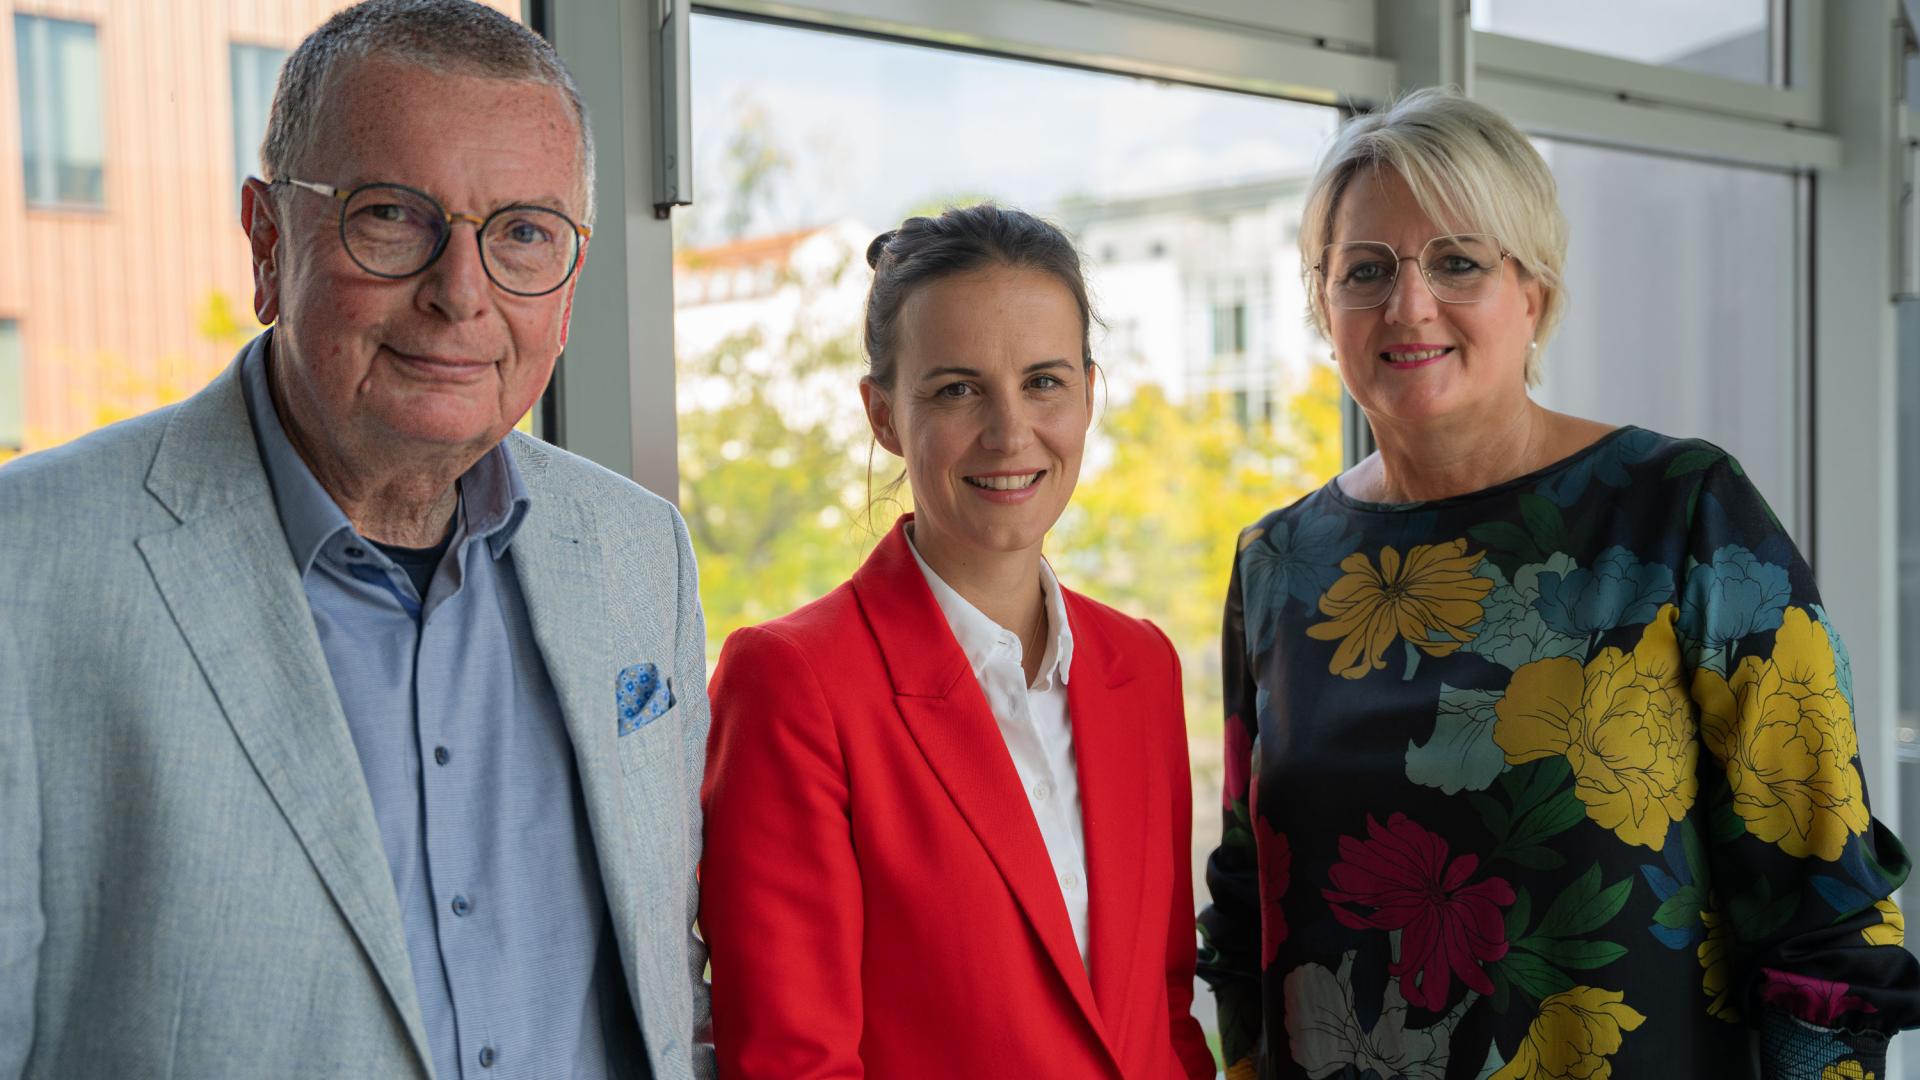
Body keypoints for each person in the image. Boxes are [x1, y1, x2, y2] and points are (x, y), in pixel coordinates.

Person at [0, 2, 713, 1077]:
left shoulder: (637, 552)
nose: (461, 294)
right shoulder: (32, 565)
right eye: (391, 216)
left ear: (569, 285)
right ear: (268, 240)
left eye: (524, 232)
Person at [1197, 89, 1920, 1079]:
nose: (1409, 305)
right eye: (1366, 270)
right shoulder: (1277, 563)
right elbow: (1246, 913)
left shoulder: (1682, 510)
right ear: (1324, 308)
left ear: (1532, 293)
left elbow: (1823, 900)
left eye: (1458, 261)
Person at [699, 205, 1216, 1079]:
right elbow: (794, 1062)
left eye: (1044, 382)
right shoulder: (794, 684)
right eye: (957, 389)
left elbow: (1164, 1013)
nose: (1010, 432)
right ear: (883, 415)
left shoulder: (1142, 665)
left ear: (1090, 393)